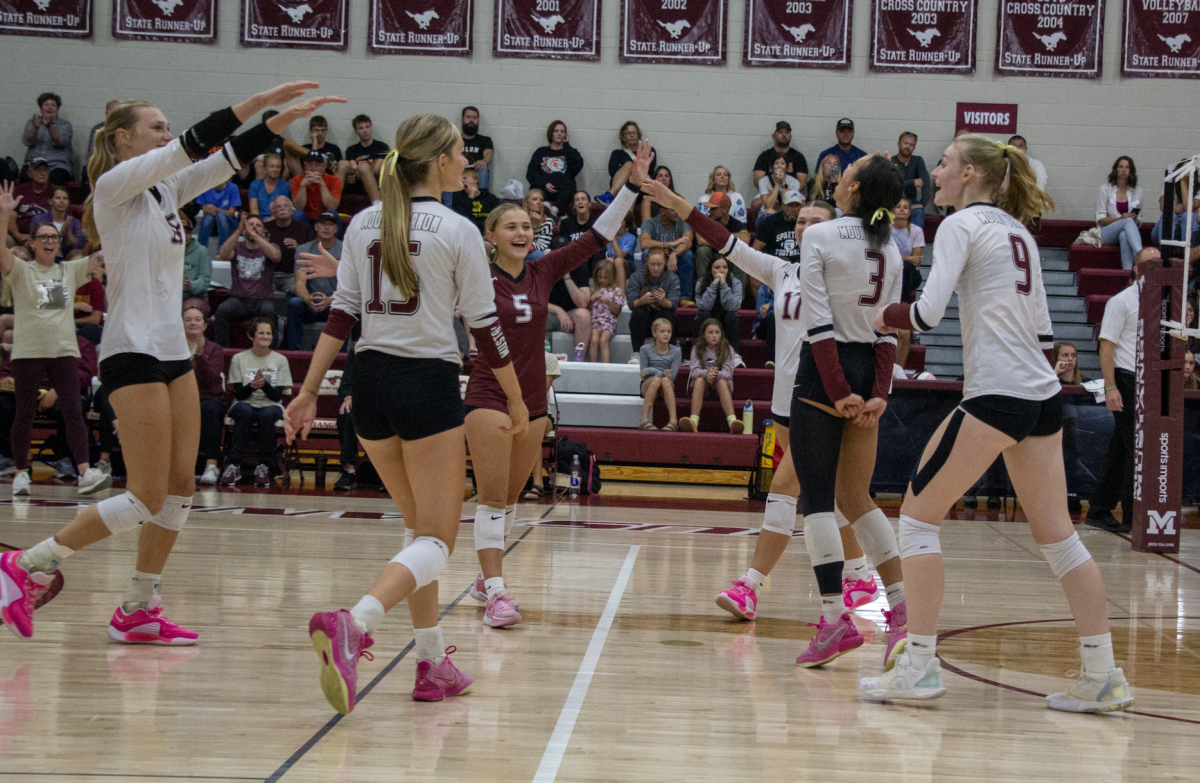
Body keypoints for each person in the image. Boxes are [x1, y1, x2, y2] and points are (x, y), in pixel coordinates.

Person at [0, 82, 340, 645]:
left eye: (165, 126)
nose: (165, 132)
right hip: (130, 349)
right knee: (146, 495)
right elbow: (196, 142)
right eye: (155, 126)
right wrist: (260, 101)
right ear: (123, 138)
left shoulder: (165, 192)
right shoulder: (112, 186)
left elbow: (227, 157)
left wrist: (281, 122)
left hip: (171, 353)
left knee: (181, 488)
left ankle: (139, 605)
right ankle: (29, 561)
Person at [863, 134, 1134, 714]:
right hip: (1042, 396)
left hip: (1000, 393)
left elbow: (926, 315)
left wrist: (871, 313)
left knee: (915, 519)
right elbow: (1042, 333)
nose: (934, 173)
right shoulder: (1019, 234)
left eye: (943, 164)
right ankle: (1103, 673)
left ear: (970, 174)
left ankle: (919, 666)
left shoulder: (960, 226)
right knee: (1061, 539)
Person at [285, 113, 527, 714]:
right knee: (440, 540)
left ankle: (431, 661)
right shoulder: (457, 227)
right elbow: (485, 327)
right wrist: (517, 397)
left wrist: (310, 391)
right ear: (439, 162)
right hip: (425, 383)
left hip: (366, 383)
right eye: (460, 154)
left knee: (418, 530)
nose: (466, 163)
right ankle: (356, 622)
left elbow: (340, 317)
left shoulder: (365, 221)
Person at [465, 145, 649, 628]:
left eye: (527, 225)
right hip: (487, 395)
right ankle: (498, 595)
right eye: (511, 226)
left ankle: (487, 579)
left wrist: (632, 186)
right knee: (488, 496)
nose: (523, 231)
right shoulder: (476, 276)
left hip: (533, 397)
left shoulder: (543, 270)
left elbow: (598, 235)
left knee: (508, 499)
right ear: (491, 237)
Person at [0, 195, 108, 497]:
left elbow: (103, 256)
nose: (49, 241)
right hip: (28, 352)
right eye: (44, 237)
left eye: (54, 237)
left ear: (58, 243)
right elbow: (1, 252)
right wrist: (5, 214)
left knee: (74, 410)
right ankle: (22, 472)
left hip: (63, 351)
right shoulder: (22, 270)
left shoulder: (68, 271)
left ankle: (85, 472)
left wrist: (112, 215)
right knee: (23, 413)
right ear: (33, 243)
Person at [1082, 255, 1153, 534]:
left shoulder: (1162, 302)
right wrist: (1111, 387)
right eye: (1151, 262)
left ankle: (1100, 508)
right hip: (1126, 379)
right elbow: (1107, 346)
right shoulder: (1121, 301)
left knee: (1123, 446)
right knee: (1136, 446)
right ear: (1137, 269)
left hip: (1148, 381)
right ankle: (1132, 513)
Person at [221, 317, 291, 487]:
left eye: (268, 333)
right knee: (245, 411)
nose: (265, 336)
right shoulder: (239, 359)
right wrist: (253, 386)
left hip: (271, 405)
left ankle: (264, 466)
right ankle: (233, 465)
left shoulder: (280, 360)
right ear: (251, 336)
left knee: (267, 414)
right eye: (261, 333)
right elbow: (239, 393)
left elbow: (276, 396)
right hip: (243, 402)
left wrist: (264, 384)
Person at [214, 213, 281, 347]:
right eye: (250, 225)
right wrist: (239, 231)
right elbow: (223, 254)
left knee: (269, 312)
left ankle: (271, 353)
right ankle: (221, 351)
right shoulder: (237, 247)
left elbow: (276, 256)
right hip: (239, 300)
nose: (254, 228)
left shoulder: (270, 246)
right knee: (222, 310)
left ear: (263, 230)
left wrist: (256, 235)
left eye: (258, 226)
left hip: (262, 301)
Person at [287, 210, 342, 350]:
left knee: (347, 306)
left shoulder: (345, 250)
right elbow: (300, 283)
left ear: (336, 229)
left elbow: (350, 285)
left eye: (331, 225)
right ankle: (295, 353)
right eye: (323, 224)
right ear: (316, 227)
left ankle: (341, 355)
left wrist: (331, 299)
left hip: (334, 302)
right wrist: (307, 298)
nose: (327, 228)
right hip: (311, 301)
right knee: (294, 304)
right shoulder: (303, 249)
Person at [184, 303, 225, 485]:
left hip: (207, 397)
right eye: (188, 319)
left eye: (197, 319)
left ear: (205, 325)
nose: (193, 323)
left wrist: (200, 356)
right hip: (181, 397)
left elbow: (213, 381)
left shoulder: (214, 349)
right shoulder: (174, 348)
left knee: (211, 409)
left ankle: (211, 465)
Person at [680, 319, 740, 433]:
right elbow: (694, 371)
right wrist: (706, 373)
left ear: (721, 334)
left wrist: (716, 374)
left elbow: (728, 373)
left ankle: (732, 422)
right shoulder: (697, 348)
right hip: (704, 385)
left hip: (722, 385)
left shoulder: (728, 349)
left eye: (717, 332)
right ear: (703, 334)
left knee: (721, 381)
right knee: (698, 381)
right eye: (710, 332)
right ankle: (693, 422)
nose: (714, 336)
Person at [891, 197, 926, 368]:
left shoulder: (916, 230)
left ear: (910, 211)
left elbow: (917, 261)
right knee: (901, 264)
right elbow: (884, 256)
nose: (902, 210)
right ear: (892, 210)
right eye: (898, 206)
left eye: (905, 207)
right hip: (890, 272)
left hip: (911, 276)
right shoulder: (886, 229)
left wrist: (901, 258)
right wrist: (906, 258)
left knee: (904, 266)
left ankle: (902, 304)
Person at [638, 199, 695, 302]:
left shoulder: (682, 221)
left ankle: (684, 297)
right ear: (662, 211)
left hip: (676, 256)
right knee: (646, 253)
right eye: (673, 210)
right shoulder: (650, 223)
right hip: (659, 256)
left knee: (687, 254)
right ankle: (652, 293)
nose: (677, 212)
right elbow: (644, 243)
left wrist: (674, 253)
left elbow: (688, 240)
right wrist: (669, 244)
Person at [626, 247, 680, 351]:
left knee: (666, 314)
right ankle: (637, 353)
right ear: (647, 263)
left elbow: (674, 304)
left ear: (665, 262)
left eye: (659, 264)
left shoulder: (672, 278)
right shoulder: (636, 277)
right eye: (652, 264)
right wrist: (642, 301)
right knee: (637, 313)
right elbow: (631, 303)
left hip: (665, 317)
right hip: (645, 319)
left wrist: (664, 301)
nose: (656, 268)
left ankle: (663, 351)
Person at [526, 120, 583, 216]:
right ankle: (546, 208)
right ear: (550, 133)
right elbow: (531, 173)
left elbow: (576, 168)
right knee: (536, 189)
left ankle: (553, 212)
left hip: (563, 190)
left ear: (566, 135)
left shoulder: (571, 152)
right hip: (544, 187)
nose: (559, 134)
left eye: (562, 131)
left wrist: (567, 146)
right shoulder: (541, 152)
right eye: (556, 131)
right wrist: (544, 183)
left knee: (570, 190)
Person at [695, 192, 751, 288]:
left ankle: (738, 299)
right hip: (711, 257)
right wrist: (728, 240)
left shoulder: (735, 224)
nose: (709, 211)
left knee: (741, 252)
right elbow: (701, 240)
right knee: (702, 250)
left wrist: (715, 238)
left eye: (713, 208)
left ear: (725, 209)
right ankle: (703, 291)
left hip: (729, 259)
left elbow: (746, 239)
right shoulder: (705, 221)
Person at [1096, 156, 1143, 271]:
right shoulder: (1105, 189)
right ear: (1116, 170)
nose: (1123, 170)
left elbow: (1140, 219)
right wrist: (1120, 219)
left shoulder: (1138, 190)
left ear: (1131, 171)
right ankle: (1141, 257)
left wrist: (1136, 219)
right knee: (1126, 221)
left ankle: (1127, 273)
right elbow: (1100, 219)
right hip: (1106, 231)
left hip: (1126, 230)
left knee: (1124, 235)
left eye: (1127, 167)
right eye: (1121, 167)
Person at [263, 195, 316, 294]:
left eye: (286, 206)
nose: (283, 208)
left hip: (293, 276)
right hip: (268, 274)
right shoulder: (265, 228)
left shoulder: (304, 229)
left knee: (301, 292)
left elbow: (314, 255)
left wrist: (298, 247)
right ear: (272, 212)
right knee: (260, 291)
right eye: (278, 207)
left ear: (292, 210)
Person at [639, 317, 681, 431]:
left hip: (665, 386)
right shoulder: (645, 349)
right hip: (649, 384)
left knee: (665, 380)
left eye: (669, 331)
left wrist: (652, 371)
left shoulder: (676, 351)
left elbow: (672, 376)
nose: (666, 334)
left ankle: (673, 421)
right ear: (654, 333)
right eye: (662, 331)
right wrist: (659, 372)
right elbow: (643, 374)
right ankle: (644, 420)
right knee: (657, 379)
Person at [22, 93, 73, 186]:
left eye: (53, 105)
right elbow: (28, 141)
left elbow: (61, 141)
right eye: (46, 105)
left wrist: (49, 126)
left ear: (57, 109)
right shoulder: (32, 123)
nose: (49, 108)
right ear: (41, 108)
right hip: (34, 163)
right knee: (24, 177)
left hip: (57, 165)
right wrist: (35, 128)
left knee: (56, 178)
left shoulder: (65, 125)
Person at [694, 256, 743, 354]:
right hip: (708, 316)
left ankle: (733, 354)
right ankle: (700, 352)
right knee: (704, 315)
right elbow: (704, 306)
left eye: (725, 267)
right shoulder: (701, 282)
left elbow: (732, 306)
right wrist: (714, 285)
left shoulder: (736, 283)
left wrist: (724, 285)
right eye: (717, 267)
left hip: (726, 318)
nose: (721, 271)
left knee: (731, 316)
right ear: (710, 268)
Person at [752, 121, 808, 197]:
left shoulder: (798, 157)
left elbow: (802, 183)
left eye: (787, 132)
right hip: (768, 192)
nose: (784, 135)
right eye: (780, 132)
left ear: (790, 136)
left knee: (802, 201)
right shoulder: (765, 156)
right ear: (773, 136)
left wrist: (786, 194)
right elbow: (757, 181)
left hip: (791, 192)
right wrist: (772, 193)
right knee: (755, 204)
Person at [606, 121, 657, 201]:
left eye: (634, 132)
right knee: (629, 168)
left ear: (638, 135)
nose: (632, 135)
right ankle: (612, 194)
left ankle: (610, 194)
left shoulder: (648, 150)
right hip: (622, 188)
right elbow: (613, 172)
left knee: (630, 166)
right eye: (628, 133)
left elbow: (650, 170)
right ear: (623, 137)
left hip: (642, 188)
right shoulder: (617, 153)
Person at [30, 185, 86, 255]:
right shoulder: (39, 219)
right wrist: (59, 234)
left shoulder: (75, 222)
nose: (62, 201)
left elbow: (76, 248)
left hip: (67, 260)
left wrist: (68, 231)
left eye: (65, 198)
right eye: (58, 198)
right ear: (50, 201)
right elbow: (37, 243)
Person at [333, 342, 359, 492]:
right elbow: (345, 384)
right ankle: (349, 471)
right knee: (346, 413)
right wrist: (349, 396)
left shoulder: (394, 350)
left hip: (386, 401)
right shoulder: (356, 351)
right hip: (360, 403)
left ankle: (386, 474)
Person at [344, 114, 389, 202]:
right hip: (359, 186)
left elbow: (376, 170)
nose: (365, 131)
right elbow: (355, 170)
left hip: (377, 184)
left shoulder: (382, 147)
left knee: (364, 167)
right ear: (356, 131)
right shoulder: (351, 150)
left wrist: (360, 173)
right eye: (361, 128)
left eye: (367, 127)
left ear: (371, 128)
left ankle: (376, 202)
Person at [8, 159, 53, 246]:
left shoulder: (55, 192)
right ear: (29, 173)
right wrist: (18, 235)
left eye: (45, 170)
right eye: (38, 170)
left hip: (45, 237)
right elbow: (11, 215)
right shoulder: (19, 191)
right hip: (20, 236)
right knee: (5, 240)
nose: (43, 173)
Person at [284, 115, 343, 179]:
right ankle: (322, 157)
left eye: (322, 130)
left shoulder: (334, 148)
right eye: (317, 130)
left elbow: (336, 171)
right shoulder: (304, 148)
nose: (320, 133)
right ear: (311, 130)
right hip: (307, 180)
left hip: (326, 181)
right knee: (287, 143)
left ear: (326, 131)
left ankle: (320, 156)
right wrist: (314, 143)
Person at [589, 259, 625, 363]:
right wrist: (592, 300)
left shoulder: (616, 291)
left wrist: (608, 302)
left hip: (609, 322)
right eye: (600, 277)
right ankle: (593, 366)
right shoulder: (595, 288)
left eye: (605, 277)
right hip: (595, 320)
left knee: (603, 341)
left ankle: (606, 366)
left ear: (611, 277)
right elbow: (588, 307)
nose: (602, 280)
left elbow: (618, 310)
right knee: (594, 340)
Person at [754, 190, 804, 264]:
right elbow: (756, 248)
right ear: (783, 206)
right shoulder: (770, 222)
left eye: (797, 205)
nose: (793, 209)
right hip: (775, 265)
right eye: (790, 205)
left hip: (799, 266)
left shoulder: (806, 223)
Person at [291, 150, 342, 222]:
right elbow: (297, 207)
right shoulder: (297, 180)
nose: (313, 169)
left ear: (323, 166)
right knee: (296, 214)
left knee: (333, 213)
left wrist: (323, 185)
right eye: (310, 165)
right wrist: (302, 186)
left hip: (324, 218)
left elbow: (332, 207)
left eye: (317, 165)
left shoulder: (334, 180)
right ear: (305, 166)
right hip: (306, 219)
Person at [894, 132, 930, 227]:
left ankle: (916, 241)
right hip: (894, 201)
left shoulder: (917, 161)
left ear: (914, 148)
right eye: (905, 143)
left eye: (911, 145)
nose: (908, 147)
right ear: (898, 144)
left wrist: (922, 203)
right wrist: (912, 182)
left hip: (911, 201)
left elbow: (926, 183)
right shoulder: (891, 161)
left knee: (919, 211)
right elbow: (893, 185)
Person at [194, 179, 241, 250]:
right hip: (211, 221)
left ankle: (223, 250)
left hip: (228, 222)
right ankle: (201, 250)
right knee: (208, 218)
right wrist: (209, 209)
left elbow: (232, 213)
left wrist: (218, 210)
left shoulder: (233, 187)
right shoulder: (205, 187)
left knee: (220, 216)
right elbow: (204, 210)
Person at [73, 251, 106, 346]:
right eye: (74, 264)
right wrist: (72, 306)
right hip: (65, 326)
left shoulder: (95, 284)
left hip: (88, 326)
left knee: (90, 331)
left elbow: (95, 319)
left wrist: (72, 322)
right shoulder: (61, 282)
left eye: (80, 264)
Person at [451, 169, 499, 234]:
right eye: (461, 179)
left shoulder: (490, 198)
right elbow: (462, 218)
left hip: (486, 233)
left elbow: (497, 217)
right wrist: (471, 196)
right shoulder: (458, 198)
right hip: (467, 232)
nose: (462, 181)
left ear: (475, 180)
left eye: (465, 178)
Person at [460, 107, 494, 192]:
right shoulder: (454, 140)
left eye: (474, 118)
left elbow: (489, 156)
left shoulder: (485, 140)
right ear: (462, 120)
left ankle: (482, 199)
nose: (471, 120)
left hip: (475, 173)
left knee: (484, 169)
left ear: (478, 121)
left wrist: (483, 162)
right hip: (458, 172)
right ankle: (448, 204)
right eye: (468, 117)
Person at [181, 214, 212, 299]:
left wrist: (190, 285)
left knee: (192, 313)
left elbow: (205, 281)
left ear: (191, 234)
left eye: (187, 232)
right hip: (172, 296)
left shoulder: (202, 251)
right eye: (181, 232)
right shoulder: (169, 252)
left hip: (195, 296)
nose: (184, 236)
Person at [524, 189, 555, 254]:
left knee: (538, 254)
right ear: (526, 203)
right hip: (517, 251)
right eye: (535, 199)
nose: (539, 202)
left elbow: (541, 246)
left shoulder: (548, 222)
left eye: (541, 200)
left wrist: (534, 226)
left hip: (531, 252)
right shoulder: (519, 219)